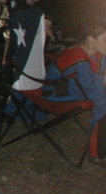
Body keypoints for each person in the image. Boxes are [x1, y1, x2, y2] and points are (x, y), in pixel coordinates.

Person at [44, 23, 106, 162]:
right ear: (91, 39)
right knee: (102, 102)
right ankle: (96, 151)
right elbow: (91, 90)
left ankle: (98, 143)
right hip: (58, 94)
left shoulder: (97, 53)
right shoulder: (77, 57)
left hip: (79, 89)